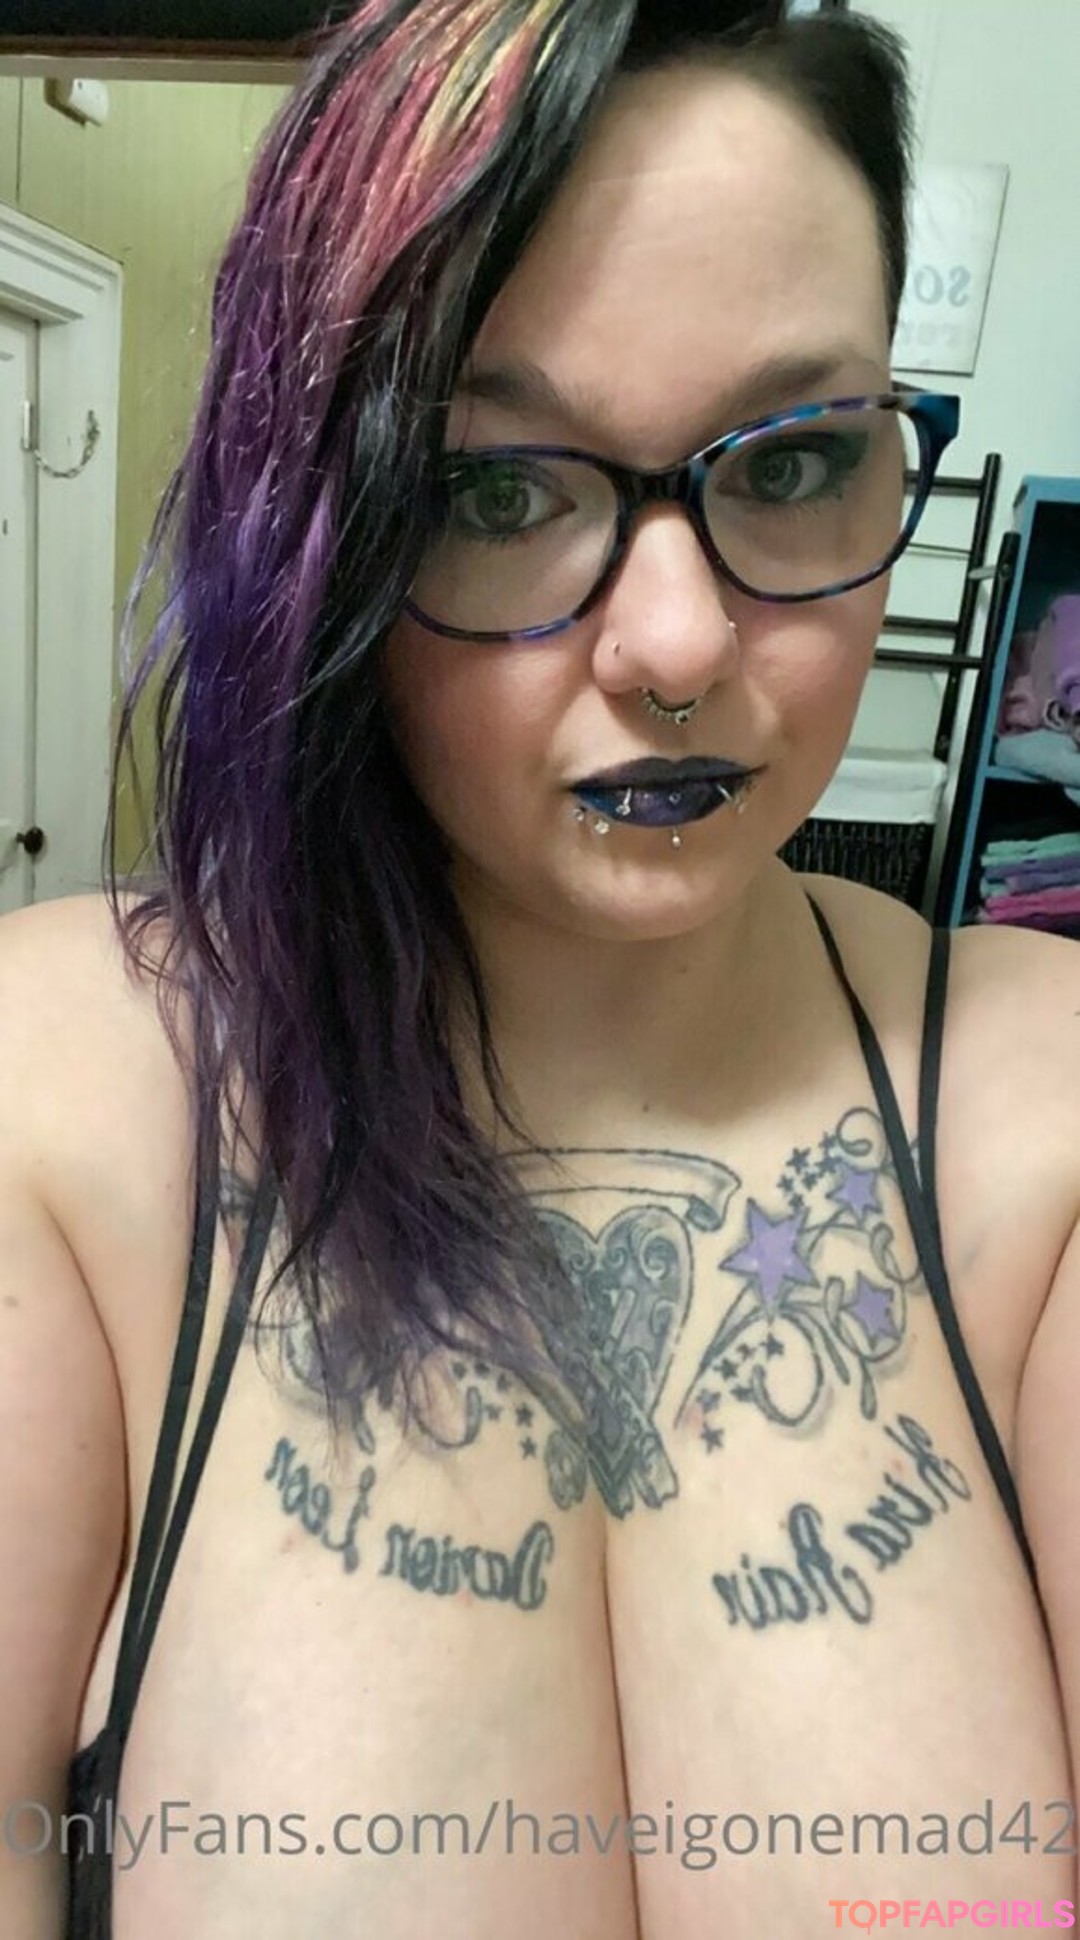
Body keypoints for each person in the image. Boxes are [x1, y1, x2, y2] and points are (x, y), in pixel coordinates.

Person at [2, 0, 1078, 1933]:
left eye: (791, 463)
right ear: (320, 529)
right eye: (499, 490)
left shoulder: (1045, 1115)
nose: (678, 646)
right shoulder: (68, 1101)